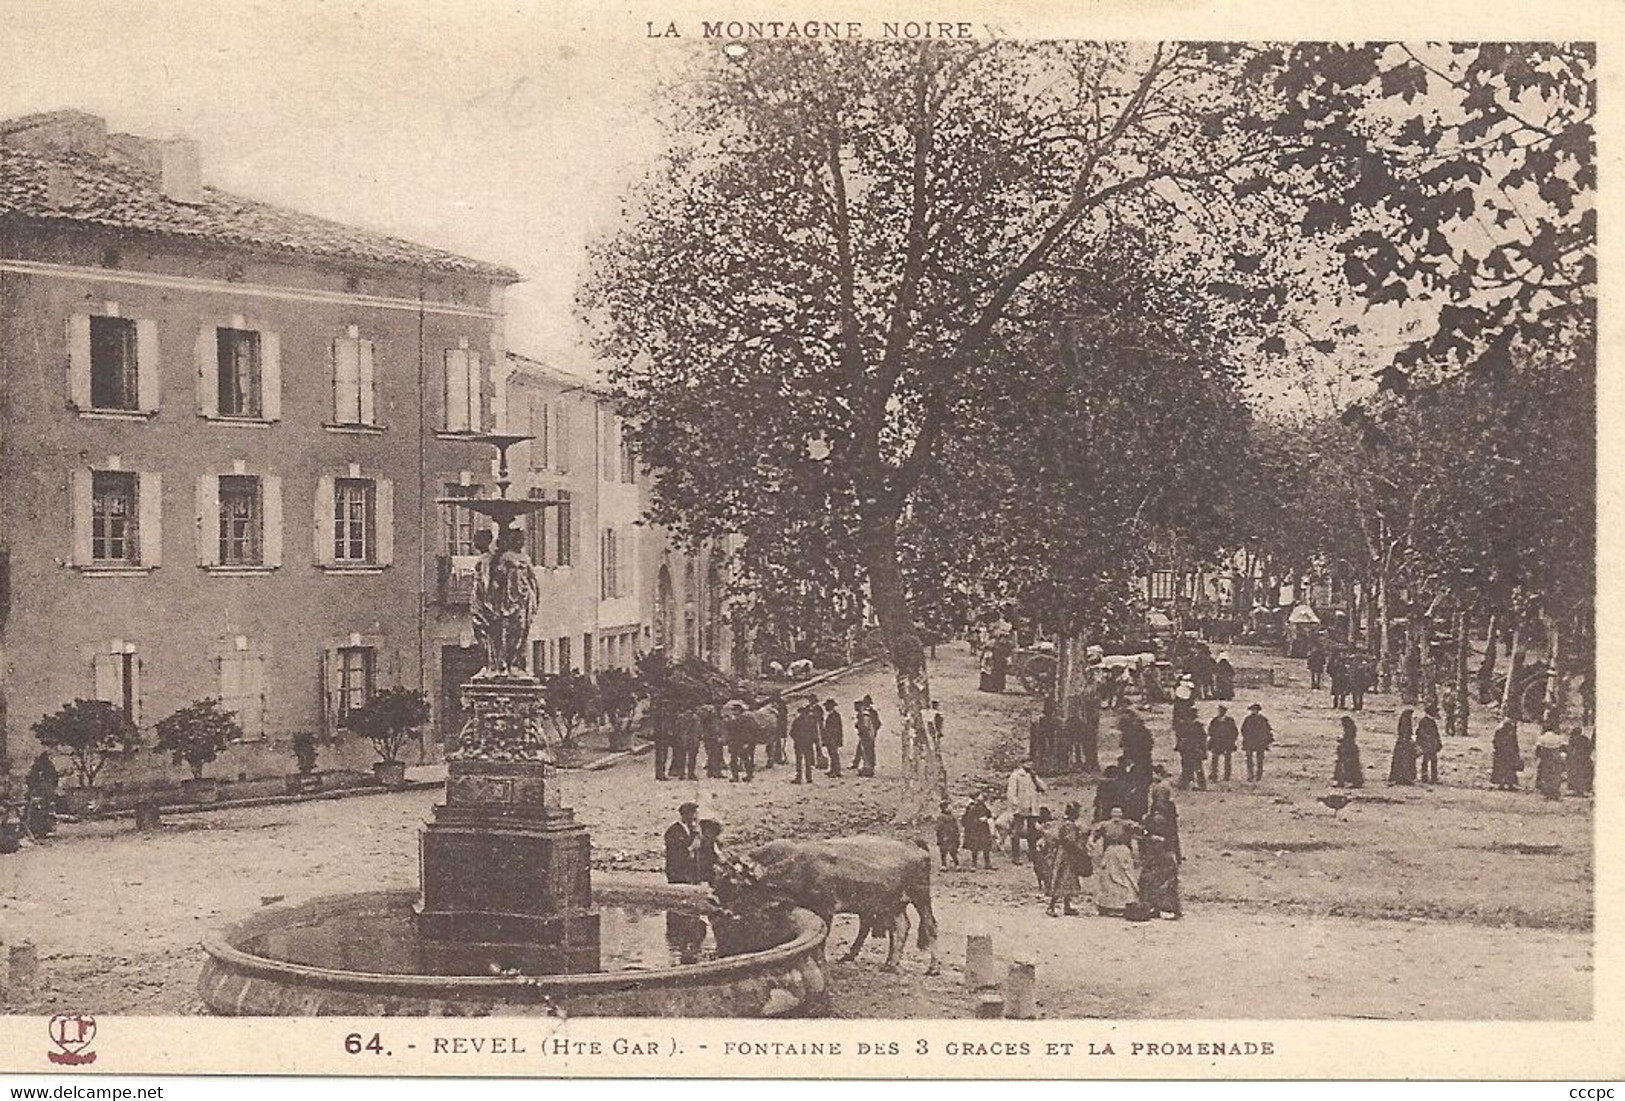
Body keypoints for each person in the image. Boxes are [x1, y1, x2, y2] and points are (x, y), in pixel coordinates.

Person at [1089, 806, 1144, 917]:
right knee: (1108, 878)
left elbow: (1141, 831)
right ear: (1111, 814)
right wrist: (1091, 840)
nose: (1116, 816)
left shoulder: (1127, 824)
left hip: (1123, 851)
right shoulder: (1105, 825)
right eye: (1114, 813)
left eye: (1118, 813)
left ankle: (1125, 904)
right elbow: (1095, 833)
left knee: (1125, 877)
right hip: (1110, 852)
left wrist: (1143, 833)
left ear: (1122, 814)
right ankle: (1107, 906)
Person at [1045, 803, 1091, 917]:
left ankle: (1067, 906)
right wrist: (1080, 851)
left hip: (1066, 853)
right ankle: (1051, 906)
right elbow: (1069, 841)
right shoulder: (1069, 825)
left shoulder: (1066, 823)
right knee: (1062, 878)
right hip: (1066, 855)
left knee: (1069, 879)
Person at [1141, 801, 1182, 919]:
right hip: (1157, 853)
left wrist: (1150, 837)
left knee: (1160, 882)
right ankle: (1157, 907)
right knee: (1160, 882)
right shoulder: (1159, 822)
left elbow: (1144, 832)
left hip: (1160, 853)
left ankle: (1161, 907)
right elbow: (1144, 832)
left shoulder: (1157, 821)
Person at [1006, 759, 1047, 865]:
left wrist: (1035, 778)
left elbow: (1044, 788)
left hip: (1032, 808)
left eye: (1031, 762)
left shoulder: (1032, 775)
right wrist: (1016, 806)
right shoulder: (1016, 775)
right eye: (1027, 763)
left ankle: (1032, 855)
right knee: (1017, 832)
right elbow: (1011, 793)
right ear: (1022, 764)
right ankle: (1016, 856)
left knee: (1032, 832)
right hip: (1020, 807)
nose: (1030, 764)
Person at [24, 751, 58, 839]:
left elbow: (54, 778)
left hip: (43, 791)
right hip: (40, 791)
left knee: (42, 810)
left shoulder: (44, 767)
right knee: (39, 810)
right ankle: (38, 829)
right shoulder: (42, 767)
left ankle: (41, 829)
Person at [663, 803, 700, 884]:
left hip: (690, 874)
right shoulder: (673, 830)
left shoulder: (693, 830)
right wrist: (692, 845)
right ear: (686, 814)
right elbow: (677, 851)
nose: (696, 817)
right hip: (678, 873)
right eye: (694, 814)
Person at [789, 697, 822, 784]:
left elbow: (792, 733)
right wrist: (814, 742)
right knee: (807, 761)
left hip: (800, 744)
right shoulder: (811, 721)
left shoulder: (797, 721)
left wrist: (797, 739)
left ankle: (800, 778)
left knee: (801, 761)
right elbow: (815, 733)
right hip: (807, 744)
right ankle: (808, 778)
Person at [724, 699, 757, 783]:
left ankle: (737, 777)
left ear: (739, 710)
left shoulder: (742, 719)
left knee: (735, 760)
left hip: (739, 742)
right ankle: (748, 776)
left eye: (734, 710)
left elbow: (738, 730)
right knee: (745, 759)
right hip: (741, 742)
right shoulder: (748, 717)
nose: (733, 712)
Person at [1241, 703, 1273, 780]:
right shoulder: (1247, 719)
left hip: (1259, 742)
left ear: (1258, 711)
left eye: (1255, 710)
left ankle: (1259, 775)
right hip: (1249, 741)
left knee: (1259, 760)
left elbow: (1267, 730)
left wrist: (1265, 740)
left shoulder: (1262, 719)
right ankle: (1250, 775)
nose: (1253, 711)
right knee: (1249, 759)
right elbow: (1243, 730)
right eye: (1252, 710)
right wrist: (1246, 738)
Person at [962, 792, 994, 869]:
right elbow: (968, 820)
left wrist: (987, 818)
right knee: (974, 847)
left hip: (984, 829)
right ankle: (974, 864)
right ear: (976, 798)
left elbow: (989, 814)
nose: (982, 797)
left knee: (986, 846)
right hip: (974, 831)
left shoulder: (983, 806)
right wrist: (979, 820)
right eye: (980, 795)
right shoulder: (971, 807)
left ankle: (987, 863)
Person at [1207, 705, 1239, 782]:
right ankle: (1214, 775)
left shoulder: (1230, 721)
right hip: (1216, 743)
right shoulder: (1214, 720)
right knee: (1214, 760)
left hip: (1226, 743)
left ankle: (1226, 777)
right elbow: (1210, 731)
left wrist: (1232, 741)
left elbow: (1234, 732)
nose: (1220, 712)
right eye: (1219, 710)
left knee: (1227, 761)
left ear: (1225, 712)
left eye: (1221, 711)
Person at [1175, 715, 1207, 791]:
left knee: (1198, 767)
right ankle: (1184, 784)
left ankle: (1201, 785)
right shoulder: (1183, 726)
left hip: (1195, 749)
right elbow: (1179, 737)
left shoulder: (1197, 726)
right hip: (1186, 749)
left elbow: (1203, 737)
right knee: (1186, 766)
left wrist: (1201, 748)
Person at [1388, 708, 1418, 786]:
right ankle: (1405, 778)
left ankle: (1399, 777)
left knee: (1400, 760)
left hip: (1402, 742)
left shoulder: (1404, 721)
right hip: (1405, 742)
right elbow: (1406, 732)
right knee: (1405, 760)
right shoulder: (1406, 722)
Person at [1490, 719, 1523, 790]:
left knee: (1501, 768)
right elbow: (1515, 744)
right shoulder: (1511, 733)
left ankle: (1502, 784)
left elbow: (1495, 742)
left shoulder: (1500, 731)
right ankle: (1508, 784)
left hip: (1501, 753)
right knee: (1508, 769)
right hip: (1508, 753)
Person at [1333, 715, 1364, 788]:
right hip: (1347, 749)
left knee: (1349, 766)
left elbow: (1348, 739)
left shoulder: (1350, 731)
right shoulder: (1351, 730)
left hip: (1348, 750)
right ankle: (1344, 781)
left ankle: (1352, 781)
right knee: (1345, 766)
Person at [1534, 729, 1565, 800]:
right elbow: (1563, 749)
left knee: (1546, 775)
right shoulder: (1559, 737)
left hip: (1546, 756)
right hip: (1556, 756)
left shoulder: (1542, 737)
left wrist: (1539, 756)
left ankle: (1547, 792)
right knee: (1556, 774)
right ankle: (1555, 791)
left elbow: (1538, 749)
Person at [1415, 704, 1442, 784]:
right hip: (1427, 745)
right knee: (1427, 761)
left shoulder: (1429, 721)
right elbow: (1420, 733)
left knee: (1432, 761)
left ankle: (1431, 778)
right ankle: (1426, 777)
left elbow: (1436, 734)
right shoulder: (1424, 721)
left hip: (1431, 745)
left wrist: (1438, 742)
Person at [851, 698, 879, 777]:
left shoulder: (865, 715)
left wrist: (862, 729)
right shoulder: (862, 714)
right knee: (865, 751)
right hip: (866, 735)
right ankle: (867, 768)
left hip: (866, 736)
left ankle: (868, 769)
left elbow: (866, 726)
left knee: (867, 752)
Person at [696, 818, 727, 886]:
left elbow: (720, 855)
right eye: (707, 829)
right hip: (701, 869)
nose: (709, 832)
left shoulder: (717, 842)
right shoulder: (699, 842)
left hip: (712, 868)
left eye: (712, 830)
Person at [699, 703, 726, 779]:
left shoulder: (715, 719)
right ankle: (715, 772)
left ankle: (712, 772)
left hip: (712, 737)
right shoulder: (710, 719)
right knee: (714, 754)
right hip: (712, 737)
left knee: (714, 754)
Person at [820, 698, 844, 778]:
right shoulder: (830, 715)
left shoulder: (835, 715)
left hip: (833, 738)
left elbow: (838, 728)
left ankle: (837, 771)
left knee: (834, 754)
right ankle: (833, 769)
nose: (826, 707)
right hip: (829, 738)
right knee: (831, 754)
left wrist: (839, 739)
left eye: (827, 706)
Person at [1566, 729, 1594, 797]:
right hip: (1583, 759)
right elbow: (1590, 747)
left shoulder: (1573, 739)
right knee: (1584, 773)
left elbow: (1570, 750)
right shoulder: (1584, 739)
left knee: (1576, 773)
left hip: (1579, 759)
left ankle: (1577, 789)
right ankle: (1584, 789)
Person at [935, 800, 961, 869]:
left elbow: (956, 826)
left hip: (952, 836)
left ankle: (957, 864)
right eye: (949, 806)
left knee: (953, 851)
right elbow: (938, 828)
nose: (950, 807)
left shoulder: (952, 816)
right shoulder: (941, 817)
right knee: (943, 851)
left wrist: (957, 834)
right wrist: (942, 836)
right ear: (945, 808)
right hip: (944, 837)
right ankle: (944, 865)